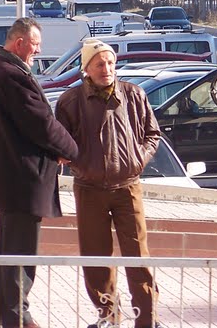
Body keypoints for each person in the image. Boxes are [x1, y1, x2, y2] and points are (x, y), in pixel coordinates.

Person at [0, 18, 79, 328]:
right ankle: (18, 317)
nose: (38, 49)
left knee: (9, 252)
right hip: (22, 177)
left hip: (11, 178)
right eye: (34, 44)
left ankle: (8, 316)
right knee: (20, 253)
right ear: (18, 43)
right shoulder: (10, 74)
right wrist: (73, 151)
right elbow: (40, 123)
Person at [56, 40, 162, 328]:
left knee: (138, 254)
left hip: (128, 186)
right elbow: (61, 143)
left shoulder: (134, 94)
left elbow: (153, 134)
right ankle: (107, 317)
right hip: (89, 188)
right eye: (100, 64)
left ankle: (147, 319)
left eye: (111, 63)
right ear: (87, 68)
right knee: (95, 256)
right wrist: (80, 162)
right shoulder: (70, 101)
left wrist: (138, 159)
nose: (107, 69)